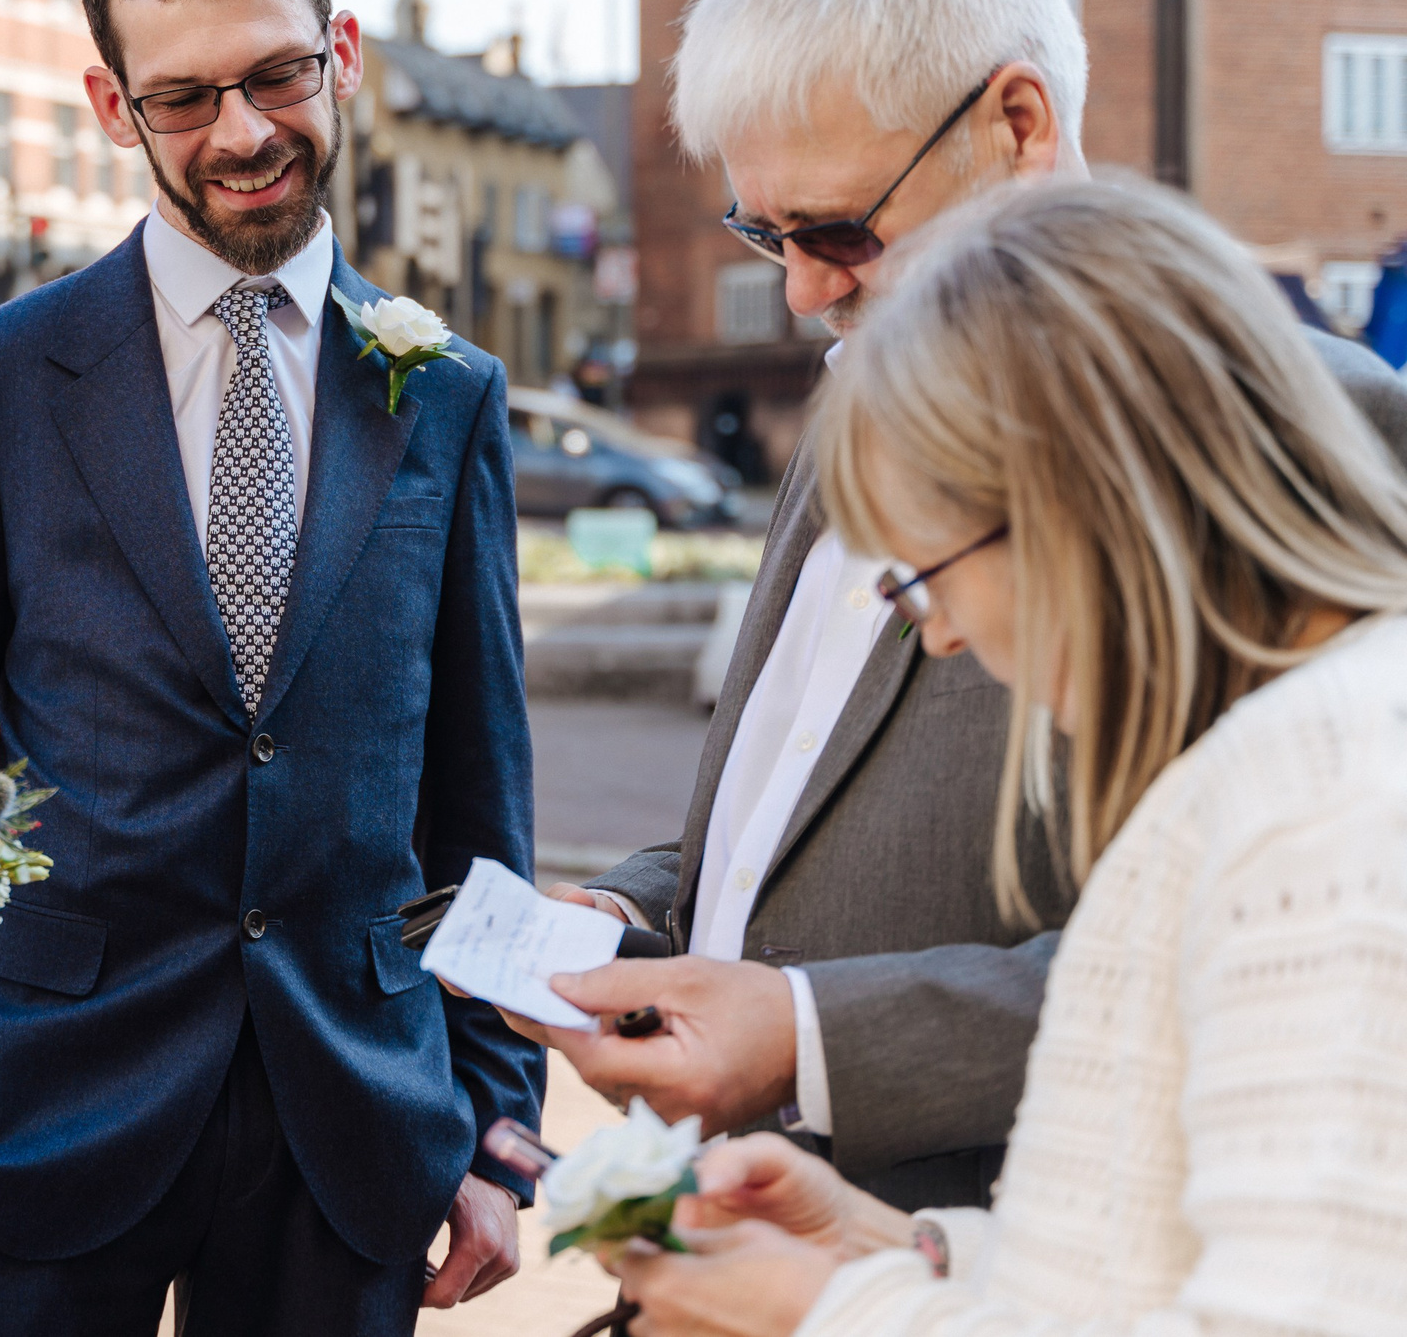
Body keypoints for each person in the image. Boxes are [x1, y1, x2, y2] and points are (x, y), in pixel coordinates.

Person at [543, 0, 1407, 1211]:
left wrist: (818, 1042)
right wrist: (643, 907)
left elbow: (1292, 948)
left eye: (837, 229)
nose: (802, 290)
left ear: (1015, 123)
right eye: (763, 234)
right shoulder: (858, 382)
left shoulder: (1305, 421)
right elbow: (801, 787)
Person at [0, 0, 543, 1335]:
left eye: (277, 75)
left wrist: (499, 1124)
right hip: (35, 1112)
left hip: (353, 1118)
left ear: (340, 53)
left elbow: (482, 801)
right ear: (112, 104)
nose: (246, 134)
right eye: (187, 96)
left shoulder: (449, 393)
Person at [568, 179, 1407, 1337]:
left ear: (1077, 501)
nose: (945, 633)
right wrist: (897, 1243)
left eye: (924, 574)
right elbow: (1152, 1248)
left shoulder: (1327, 796)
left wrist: (833, 1308)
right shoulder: (1291, 756)